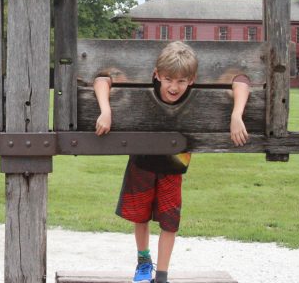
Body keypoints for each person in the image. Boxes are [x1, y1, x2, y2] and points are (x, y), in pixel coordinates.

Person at [93, 41, 250, 283]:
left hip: (175, 165)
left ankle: (162, 275)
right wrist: (106, 110)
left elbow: (241, 80)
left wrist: (236, 114)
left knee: (170, 222)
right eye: (168, 79)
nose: (174, 87)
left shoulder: (191, 92)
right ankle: (144, 264)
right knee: (140, 217)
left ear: (192, 80)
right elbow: (102, 78)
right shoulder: (148, 86)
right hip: (141, 161)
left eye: (181, 81)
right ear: (156, 74)